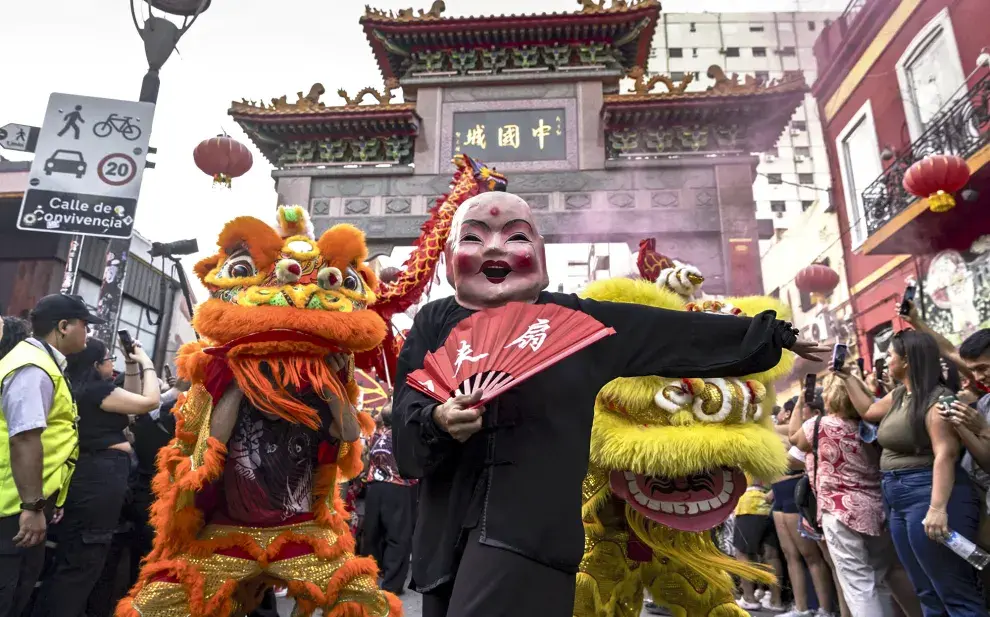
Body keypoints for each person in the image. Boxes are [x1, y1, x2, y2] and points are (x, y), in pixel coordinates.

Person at [392, 191, 827, 617]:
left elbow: (671, 333)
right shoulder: (434, 322)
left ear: (540, 253)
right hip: (444, 533)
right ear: (448, 256)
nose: (493, 247)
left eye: (516, 236)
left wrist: (772, 335)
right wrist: (437, 420)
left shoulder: (577, 324)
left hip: (528, 532)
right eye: (473, 236)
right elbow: (409, 416)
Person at [858, 330, 987, 617]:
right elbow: (867, 411)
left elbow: (946, 454)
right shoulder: (900, 395)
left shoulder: (939, 399)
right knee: (926, 591)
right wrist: (846, 378)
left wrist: (937, 508)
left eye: (890, 355)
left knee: (954, 592)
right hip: (898, 498)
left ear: (907, 360)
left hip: (928, 494)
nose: (886, 361)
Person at [30, 337, 160, 617]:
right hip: (98, 479)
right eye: (110, 359)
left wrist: (130, 365)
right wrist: (146, 362)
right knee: (82, 562)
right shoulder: (96, 391)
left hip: (93, 476)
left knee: (78, 561)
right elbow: (149, 402)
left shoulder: (83, 388)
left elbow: (131, 405)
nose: (112, 364)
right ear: (96, 364)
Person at [0, 295, 100, 617]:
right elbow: (25, 438)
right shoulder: (34, 368)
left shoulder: (46, 365)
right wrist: (32, 506)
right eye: (85, 325)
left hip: (23, 502)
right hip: (12, 507)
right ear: (64, 326)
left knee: (18, 593)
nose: (87, 333)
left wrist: (50, 499)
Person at [793, 371, 921, 617]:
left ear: (829, 396)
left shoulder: (819, 425)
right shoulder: (873, 426)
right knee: (879, 578)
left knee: (857, 583)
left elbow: (795, 440)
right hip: (877, 509)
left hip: (838, 510)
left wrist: (799, 405)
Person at [361, 403, 418, 595]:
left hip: (374, 488)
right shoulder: (407, 436)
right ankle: (391, 584)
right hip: (398, 487)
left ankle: (367, 578)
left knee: (373, 534)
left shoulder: (375, 435)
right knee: (398, 537)